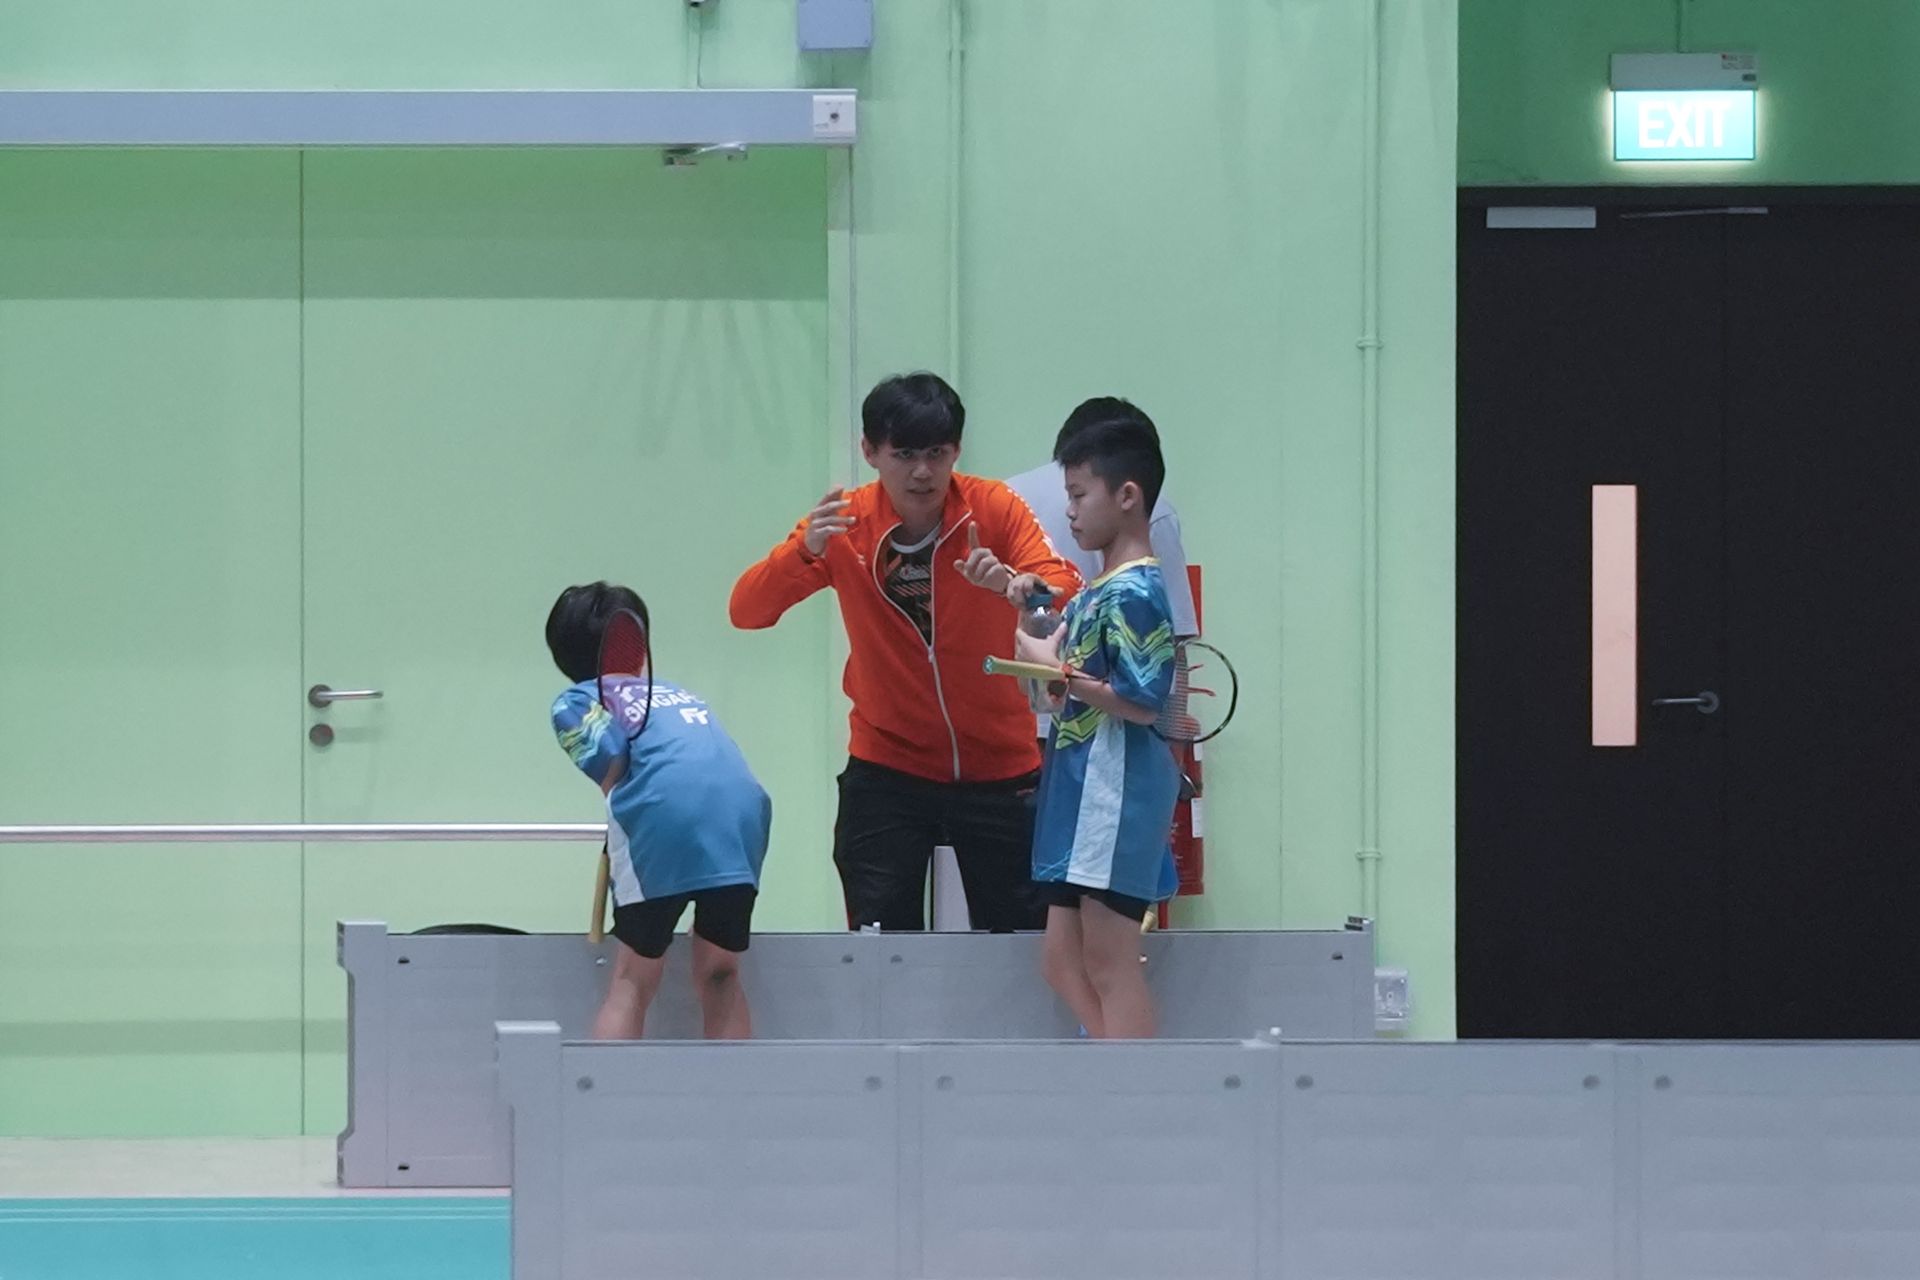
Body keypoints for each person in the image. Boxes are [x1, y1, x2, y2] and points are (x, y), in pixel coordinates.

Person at [729, 372, 1081, 931]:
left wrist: (1014, 585)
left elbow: (1062, 585)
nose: (922, 471)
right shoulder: (843, 525)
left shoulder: (993, 508)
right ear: (870, 451)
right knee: (880, 947)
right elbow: (747, 610)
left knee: (1023, 944)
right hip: (888, 767)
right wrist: (804, 551)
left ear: (956, 451)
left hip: (1001, 764)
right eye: (905, 454)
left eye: (937, 453)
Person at [1016, 400, 1182, 1038]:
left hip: (1114, 796)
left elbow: (1141, 700)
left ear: (1128, 496)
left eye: (1080, 495)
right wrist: (1032, 624)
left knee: (1110, 963)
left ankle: (1131, 1085)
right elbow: (1058, 688)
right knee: (1060, 963)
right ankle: (1110, 1068)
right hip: (1078, 793)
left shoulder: (1137, 592)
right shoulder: (1094, 592)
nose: (1070, 510)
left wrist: (1060, 675)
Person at [546, 581, 771, 1040]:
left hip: (661, 823)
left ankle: (607, 1086)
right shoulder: (679, 694)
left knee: (633, 978)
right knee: (721, 973)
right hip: (743, 819)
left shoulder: (577, 700)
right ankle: (736, 1086)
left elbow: (611, 759)